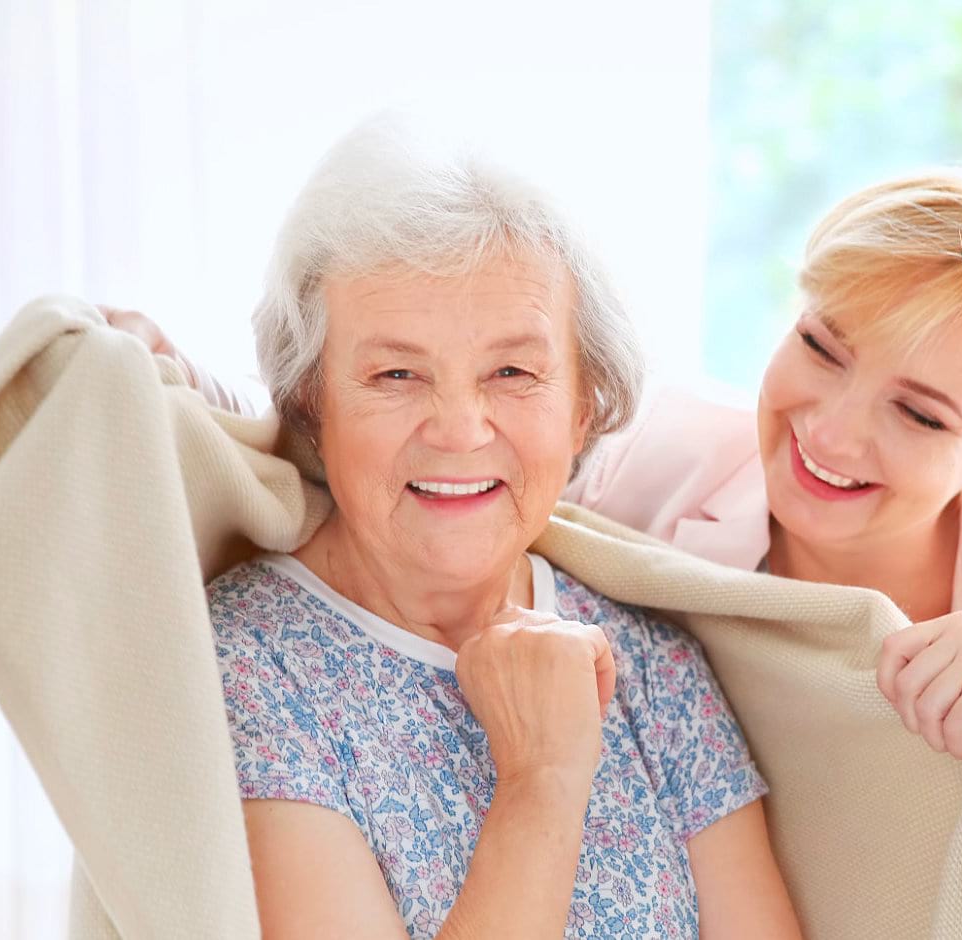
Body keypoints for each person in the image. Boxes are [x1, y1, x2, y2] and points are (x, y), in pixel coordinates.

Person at [126, 167, 962, 937]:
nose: (830, 429)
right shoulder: (656, 456)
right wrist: (190, 404)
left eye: (919, 414)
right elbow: (447, 453)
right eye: (822, 347)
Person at [199, 121, 800, 940]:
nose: (458, 429)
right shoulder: (247, 667)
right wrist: (542, 779)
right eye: (396, 374)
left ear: (585, 404)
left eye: (512, 372)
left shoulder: (654, 665)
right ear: (313, 400)